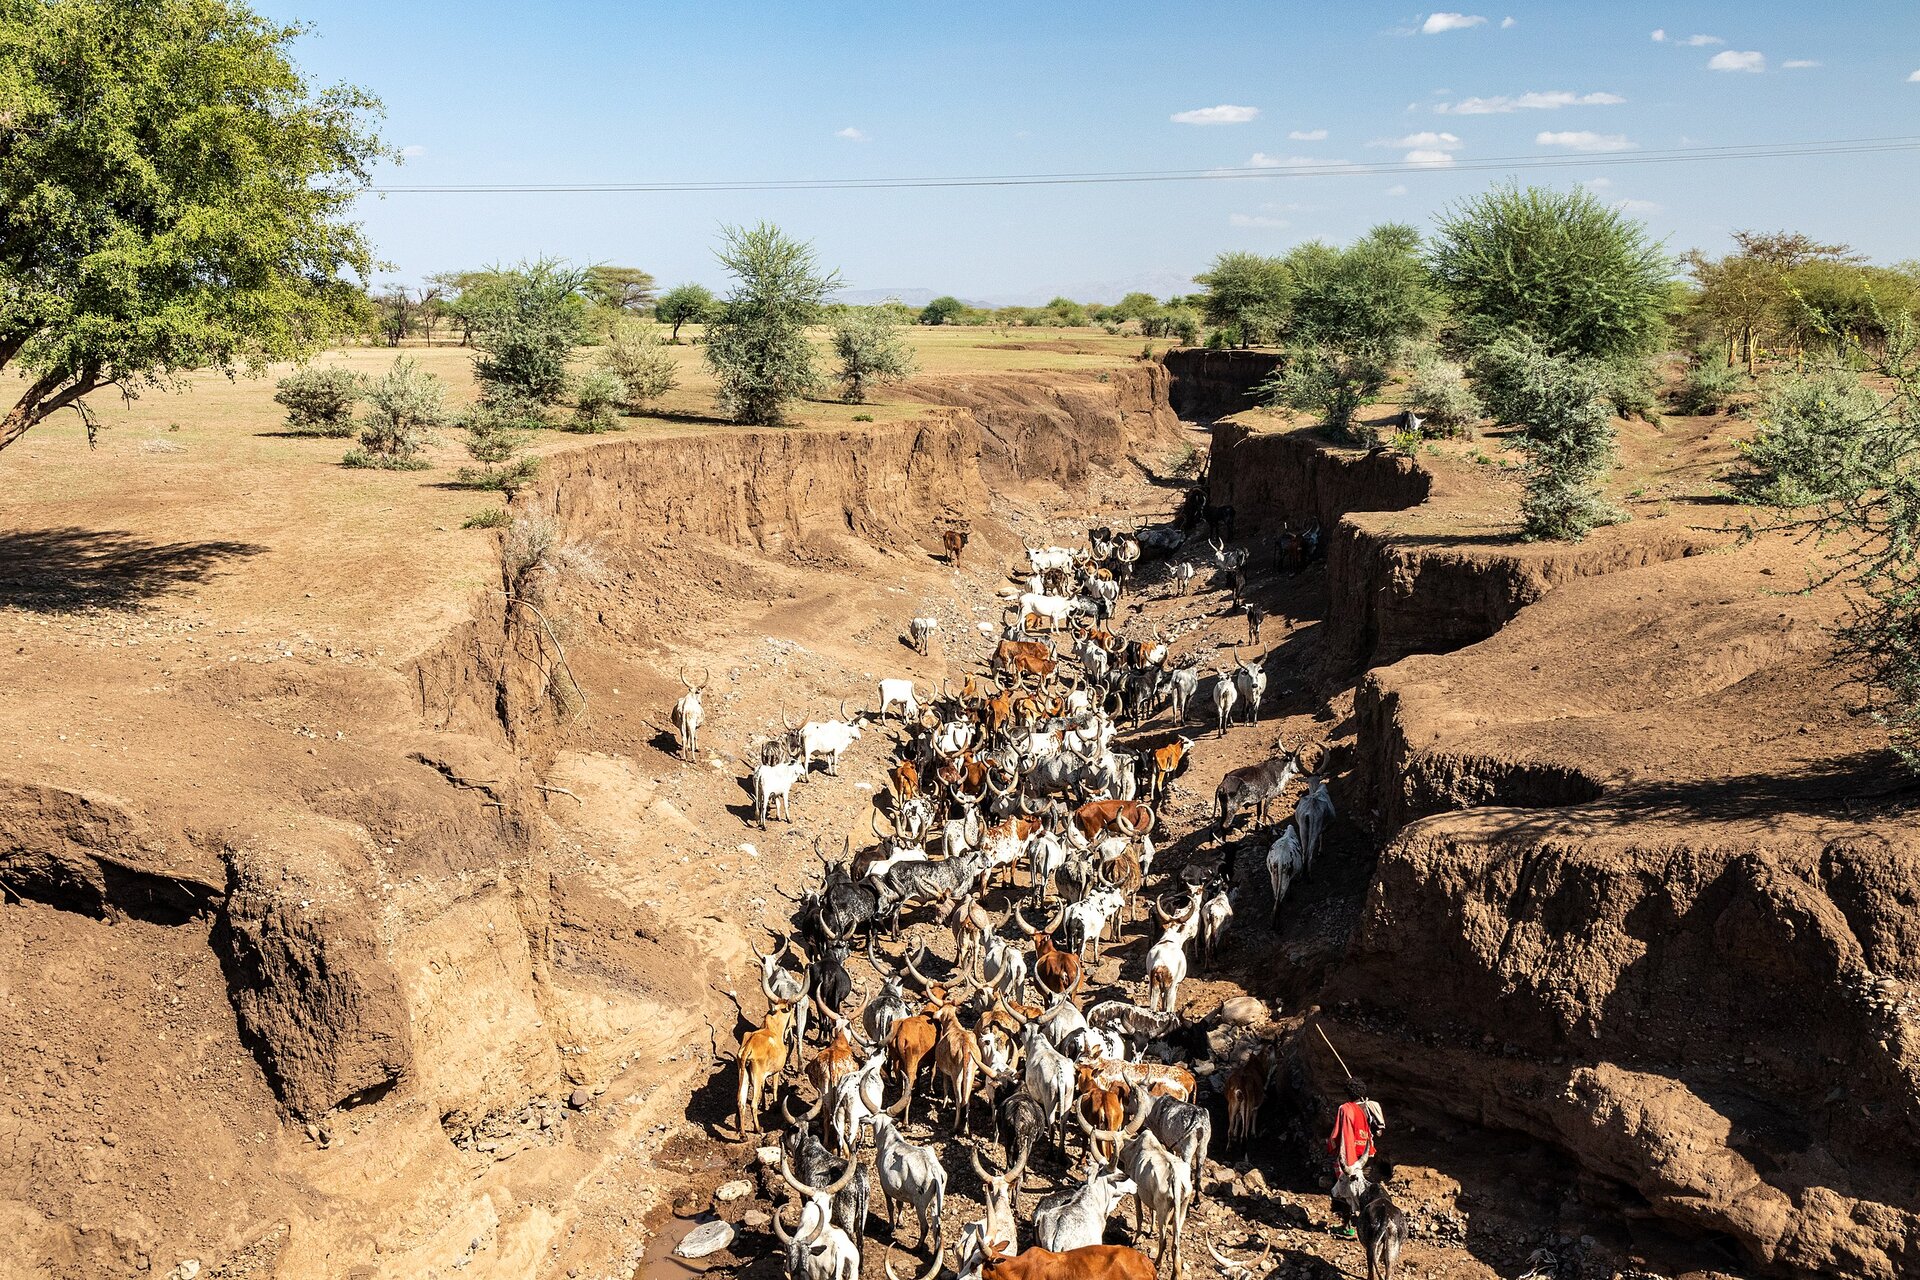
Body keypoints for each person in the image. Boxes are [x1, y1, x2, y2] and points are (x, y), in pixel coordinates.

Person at [1325, 1079, 1386, 1239]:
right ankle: (1370, 1224)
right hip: (1366, 1157)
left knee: (1345, 1189)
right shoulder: (1365, 1108)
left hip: (1350, 1158)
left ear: (1347, 1093)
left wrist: (1331, 1145)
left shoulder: (1345, 1109)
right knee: (1364, 1190)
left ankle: (1348, 1227)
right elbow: (1374, 1132)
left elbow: (1340, 1133)